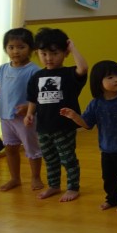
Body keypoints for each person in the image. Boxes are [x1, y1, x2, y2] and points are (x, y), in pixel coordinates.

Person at [60, 61, 117, 212]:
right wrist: (75, 116)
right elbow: (87, 124)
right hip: (107, 148)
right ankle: (112, 199)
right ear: (98, 82)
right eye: (110, 77)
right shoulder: (96, 104)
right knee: (108, 177)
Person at [24, 28, 87, 202]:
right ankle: (53, 185)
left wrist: (73, 48)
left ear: (64, 53)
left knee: (68, 158)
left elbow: (83, 68)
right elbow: (33, 98)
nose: (48, 58)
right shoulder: (37, 76)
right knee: (50, 158)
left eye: (54, 53)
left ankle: (73, 187)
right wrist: (29, 114)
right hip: (43, 127)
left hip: (64, 126)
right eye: (43, 54)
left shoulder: (69, 74)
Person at [0, 29, 43, 191]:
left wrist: (29, 108)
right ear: (6, 49)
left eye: (21, 47)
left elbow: (40, 95)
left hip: (26, 118)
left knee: (32, 149)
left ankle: (36, 177)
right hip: (6, 117)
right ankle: (15, 178)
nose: (15, 51)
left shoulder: (34, 71)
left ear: (31, 49)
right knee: (10, 148)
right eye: (11, 47)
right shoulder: (3, 68)